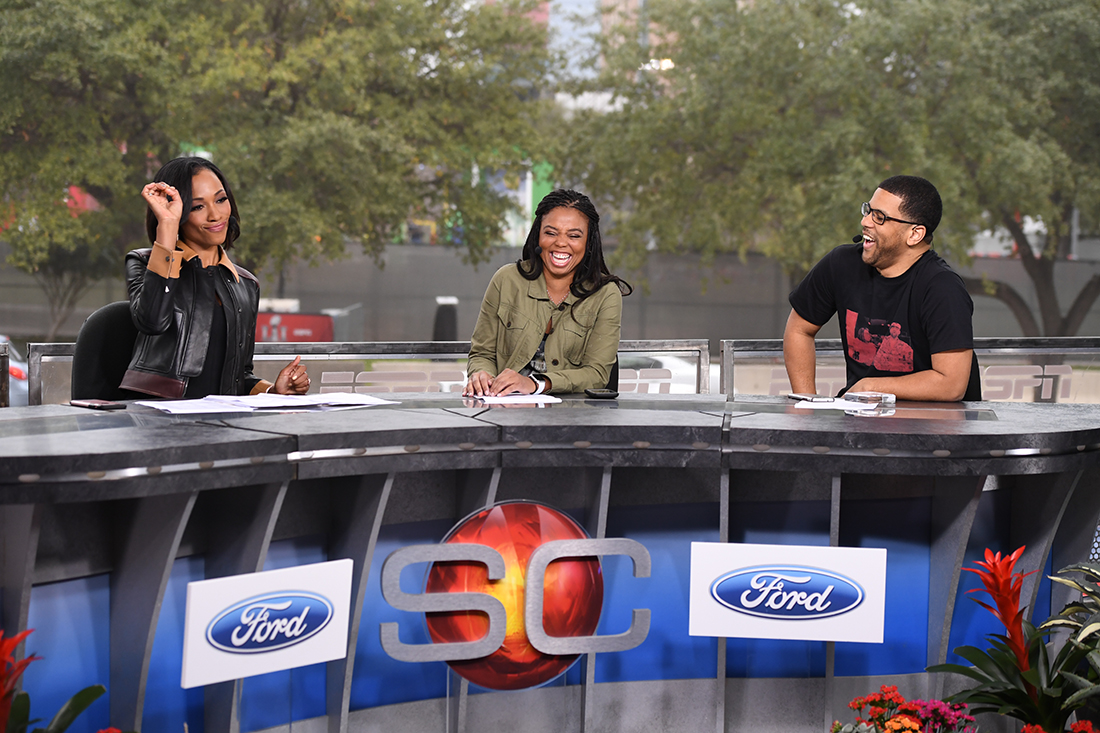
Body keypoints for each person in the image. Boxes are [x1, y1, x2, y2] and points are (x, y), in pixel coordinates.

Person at [120, 157, 309, 399]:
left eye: (220, 200)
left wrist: (273, 390)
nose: (215, 215)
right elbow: (152, 321)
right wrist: (167, 224)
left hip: (220, 421)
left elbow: (238, 375)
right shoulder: (146, 264)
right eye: (198, 206)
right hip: (160, 420)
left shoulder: (246, 284)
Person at [783, 175, 975, 401]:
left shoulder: (943, 288)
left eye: (879, 217)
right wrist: (807, 404)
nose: (865, 222)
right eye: (868, 211)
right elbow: (799, 329)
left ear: (915, 234)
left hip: (932, 430)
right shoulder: (840, 264)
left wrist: (869, 387)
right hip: (861, 425)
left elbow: (951, 384)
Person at [464, 189, 632, 396]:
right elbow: (482, 353)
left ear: (588, 243)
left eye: (574, 235)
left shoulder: (605, 294)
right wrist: (481, 374)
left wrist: (537, 384)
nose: (560, 243)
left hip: (573, 417)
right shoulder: (506, 280)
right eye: (551, 233)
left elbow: (597, 374)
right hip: (506, 410)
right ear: (538, 236)